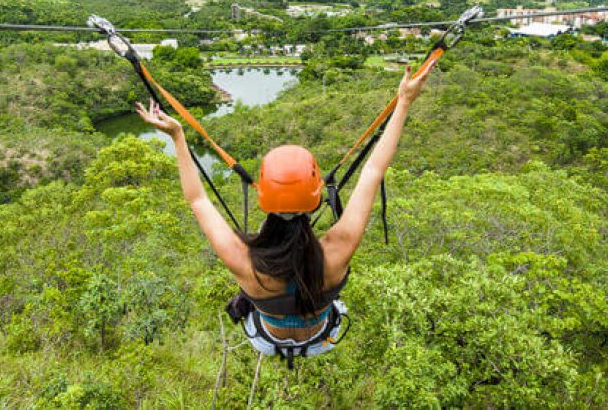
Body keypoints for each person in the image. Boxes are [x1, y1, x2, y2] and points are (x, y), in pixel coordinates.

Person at [135, 61, 437, 363]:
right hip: (322, 339)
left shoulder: (245, 260)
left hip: (266, 341)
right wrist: (404, 102)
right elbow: (373, 170)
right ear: (315, 198)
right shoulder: (337, 250)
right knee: (333, 309)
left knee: (256, 306)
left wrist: (177, 136)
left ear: (263, 197)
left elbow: (198, 200)